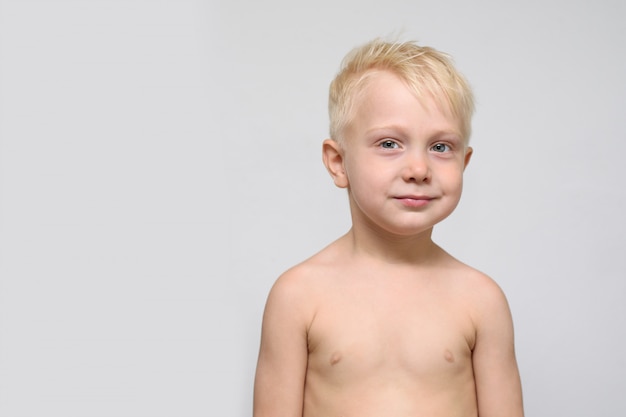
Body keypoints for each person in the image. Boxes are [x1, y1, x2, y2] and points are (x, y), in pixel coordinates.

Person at [253, 38, 524, 417]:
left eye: (441, 147)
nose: (418, 169)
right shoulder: (298, 296)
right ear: (337, 162)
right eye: (389, 143)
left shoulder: (481, 300)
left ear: (464, 161)